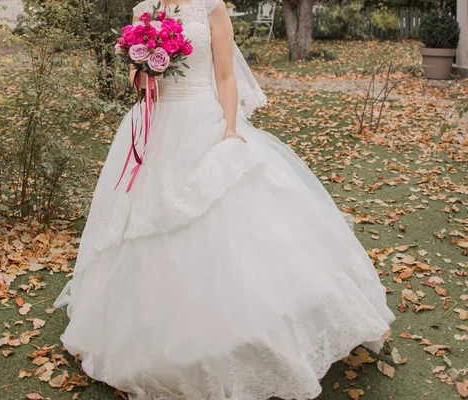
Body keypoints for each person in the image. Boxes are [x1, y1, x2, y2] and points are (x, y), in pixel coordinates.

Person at [53, 0, 395, 399]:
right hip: (154, 124)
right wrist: (142, 70)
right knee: (144, 223)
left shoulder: (211, 7)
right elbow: (134, 73)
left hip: (202, 118)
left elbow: (226, 77)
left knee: (228, 221)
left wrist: (230, 129)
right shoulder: (143, 8)